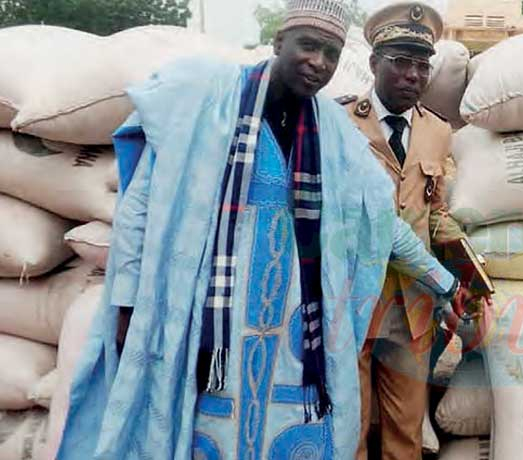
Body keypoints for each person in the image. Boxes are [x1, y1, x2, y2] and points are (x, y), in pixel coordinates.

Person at [54, 1, 472, 458]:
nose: (319, 63)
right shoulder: (211, 103)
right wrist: (127, 303)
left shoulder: (333, 134)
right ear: (279, 42)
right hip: (212, 324)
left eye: (331, 53)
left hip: (296, 333)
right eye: (308, 46)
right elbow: (143, 206)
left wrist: (447, 282)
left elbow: (383, 223)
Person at [337, 3, 479, 459]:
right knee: (349, 427)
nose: (413, 75)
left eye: (422, 65)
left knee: (405, 432)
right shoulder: (340, 122)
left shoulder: (437, 131)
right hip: (350, 299)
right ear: (375, 63)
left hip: (412, 306)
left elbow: (433, 210)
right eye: (401, 62)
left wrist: (471, 268)